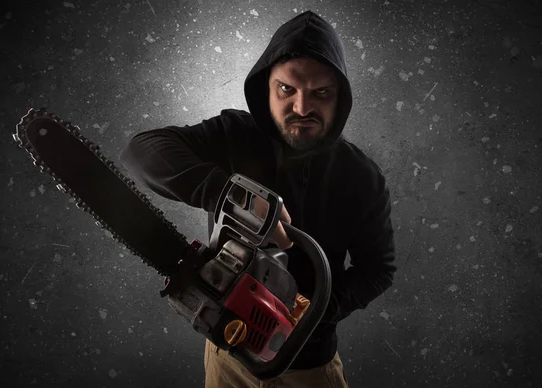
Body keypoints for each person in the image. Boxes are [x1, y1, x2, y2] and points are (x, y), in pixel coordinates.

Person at [120, 10, 396, 388]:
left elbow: (379, 269)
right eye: (287, 89)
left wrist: (317, 311)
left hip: (310, 364)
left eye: (321, 93)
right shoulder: (234, 134)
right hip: (228, 355)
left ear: (340, 97)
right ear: (265, 87)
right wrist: (226, 193)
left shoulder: (363, 177)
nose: (302, 108)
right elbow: (141, 152)